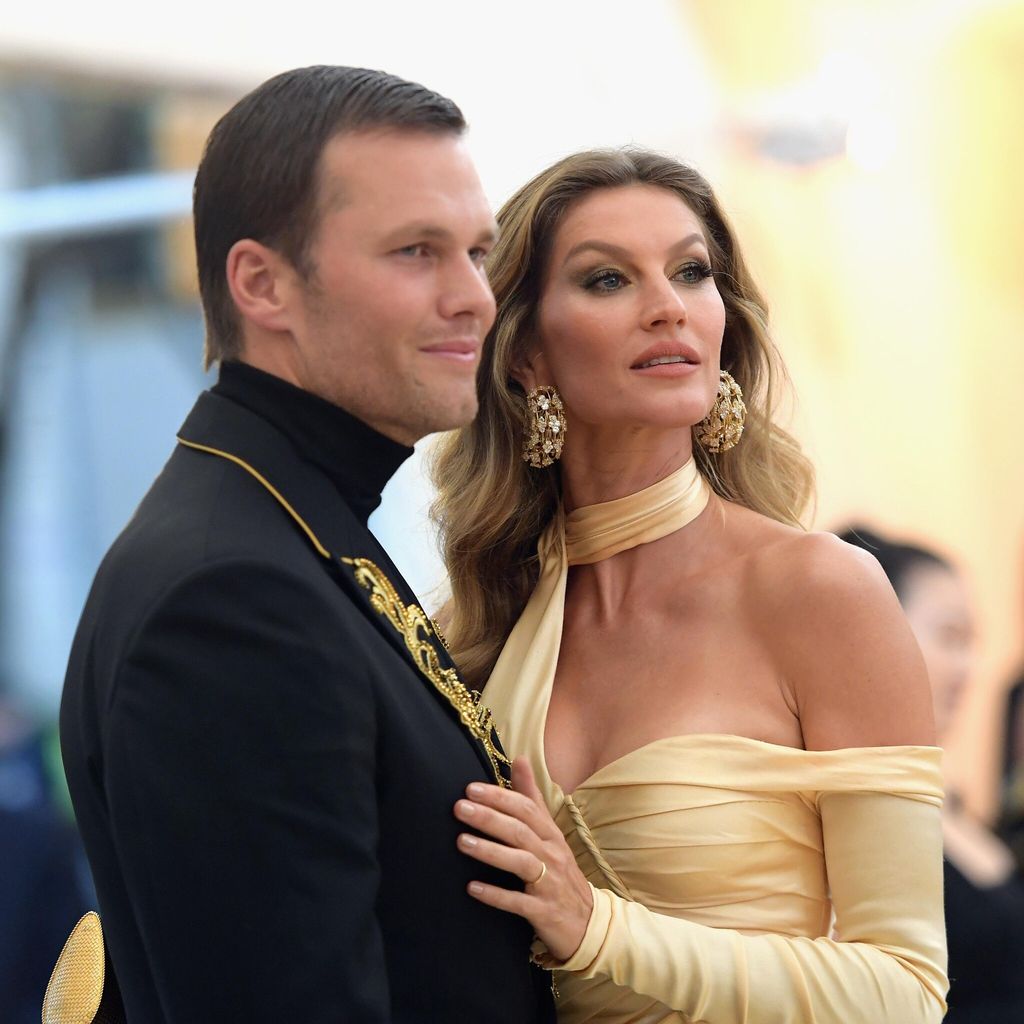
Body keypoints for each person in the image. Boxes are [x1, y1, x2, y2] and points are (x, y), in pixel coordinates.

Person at [57, 66, 554, 1024]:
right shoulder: (235, 594)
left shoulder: (285, 523)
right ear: (262, 283)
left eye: (477, 252)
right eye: (416, 252)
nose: (475, 300)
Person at [430, 148, 949, 1023]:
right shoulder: (473, 632)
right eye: (606, 280)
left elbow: (905, 990)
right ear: (524, 354)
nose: (668, 307)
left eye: (691, 272)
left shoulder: (819, 590)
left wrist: (600, 930)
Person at [840, 526, 1024, 1023]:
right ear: (873, 634)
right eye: (951, 636)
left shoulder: (952, 805)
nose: (971, 667)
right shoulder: (852, 820)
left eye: (973, 642)